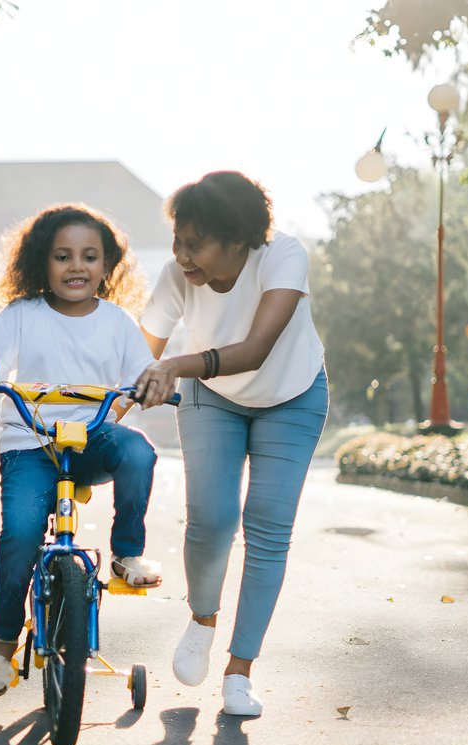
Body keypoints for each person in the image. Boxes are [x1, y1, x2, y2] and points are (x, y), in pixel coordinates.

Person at [0, 204, 161, 697]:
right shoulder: (22, 315)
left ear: (107, 266)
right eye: (63, 256)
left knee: (139, 453)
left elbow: (144, 374)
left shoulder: (119, 323)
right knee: (20, 534)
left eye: (89, 256)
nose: (76, 267)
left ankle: (127, 554)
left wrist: (153, 386)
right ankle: (1, 645)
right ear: (42, 262)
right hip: (30, 443)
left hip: (90, 438)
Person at [133, 171, 328, 717]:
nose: (181, 255)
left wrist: (173, 364)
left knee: (267, 525)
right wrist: (107, 409)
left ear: (238, 240)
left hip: (292, 395)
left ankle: (240, 670)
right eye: (177, 240)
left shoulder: (282, 257)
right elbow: (138, 354)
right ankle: (202, 618)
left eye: (195, 243)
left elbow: (257, 349)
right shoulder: (178, 276)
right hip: (211, 398)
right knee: (212, 519)